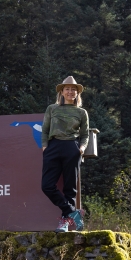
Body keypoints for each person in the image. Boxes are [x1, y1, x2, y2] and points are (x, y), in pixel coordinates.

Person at [41, 76, 89, 232]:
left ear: (77, 93)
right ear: (61, 92)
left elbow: (85, 134)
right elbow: (45, 129)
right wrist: (44, 146)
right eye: (67, 89)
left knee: (70, 188)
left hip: (72, 147)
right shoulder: (52, 108)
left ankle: (65, 223)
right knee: (47, 185)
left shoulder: (81, 112)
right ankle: (73, 212)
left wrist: (81, 148)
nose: (70, 92)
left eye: (73, 89)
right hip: (53, 146)